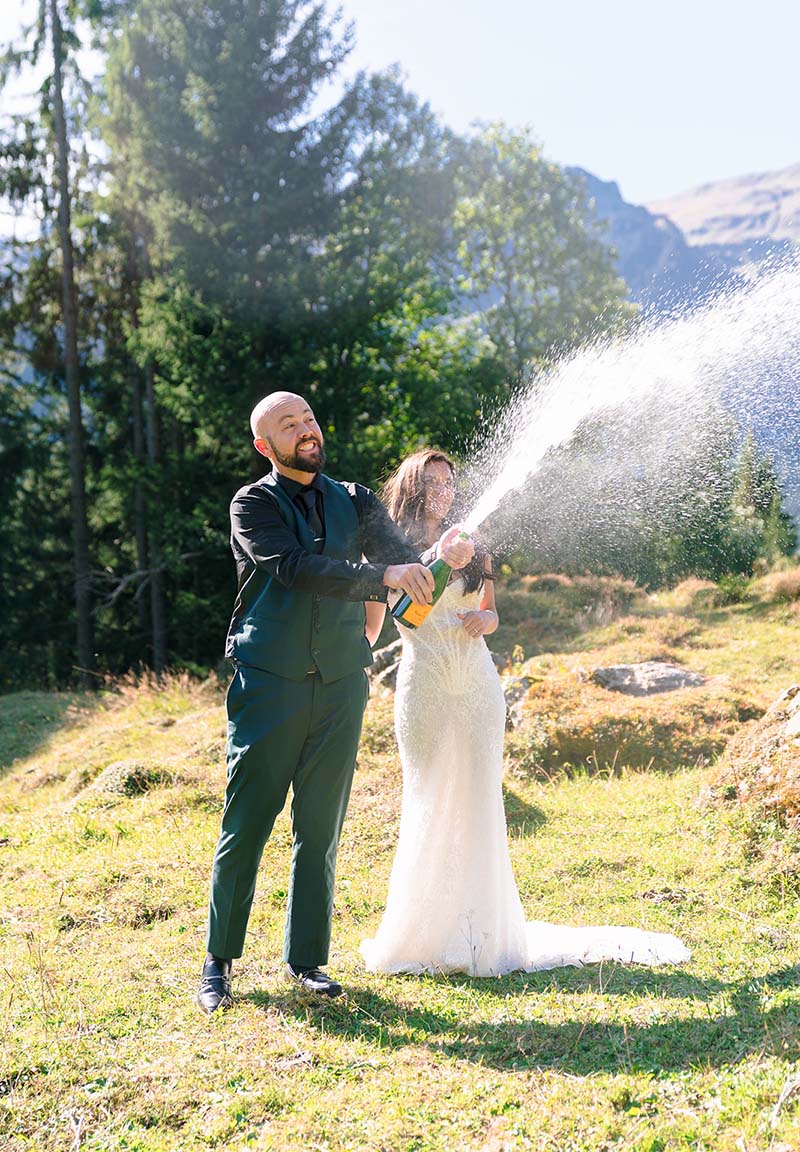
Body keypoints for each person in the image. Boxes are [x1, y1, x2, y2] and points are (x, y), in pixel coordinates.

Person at [360, 448, 690, 976]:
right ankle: (421, 934)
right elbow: (398, 619)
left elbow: (492, 612)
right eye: (434, 482)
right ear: (411, 486)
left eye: (450, 483)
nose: (444, 492)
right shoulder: (389, 550)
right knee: (426, 794)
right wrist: (438, 562)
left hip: (476, 684)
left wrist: (483, 622)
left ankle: (482, 934)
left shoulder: (473, 543)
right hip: (423, 685)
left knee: (478, 797)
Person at [198, 397, 475, 1013]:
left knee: (320, 826)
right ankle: (219, 961)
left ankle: (307, 961)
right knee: (248, 821)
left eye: (309, 419)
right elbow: (295, 568)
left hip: (344, 681)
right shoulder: (254, 505)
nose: (306, 431)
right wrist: (385, 578)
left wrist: (440, 558)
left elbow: (400, 559)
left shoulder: (354, 498)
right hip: (269, 682)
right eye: (287, 426)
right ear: (265, 446)